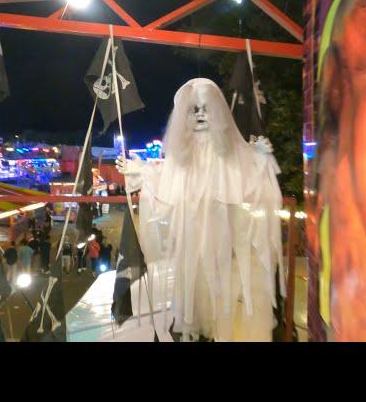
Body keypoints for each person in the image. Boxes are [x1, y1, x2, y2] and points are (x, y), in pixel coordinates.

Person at [116, 78, 284, 342]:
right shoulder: (183, 156)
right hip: (193, 241)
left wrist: (260, 159)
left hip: (228, 242)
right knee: (197, 290)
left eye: (206, 109)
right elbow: (166, 175)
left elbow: (249, 176)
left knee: (228, 292)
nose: (201, 114)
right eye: (194, 110)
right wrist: (141, 171)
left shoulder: (231, 153)